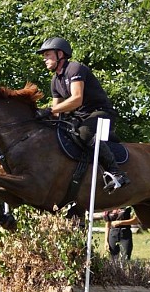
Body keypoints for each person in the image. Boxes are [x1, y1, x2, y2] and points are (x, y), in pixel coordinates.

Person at [35, 37, 130, 193]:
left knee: (85, 133)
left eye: (47, 55)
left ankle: (116, 173)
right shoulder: (55, 80)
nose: (44, 59)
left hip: (102, 112)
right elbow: (57, 110)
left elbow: (76, 99)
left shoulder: (75, 69)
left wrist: (50, 111)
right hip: (81, 116)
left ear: (60, 54)